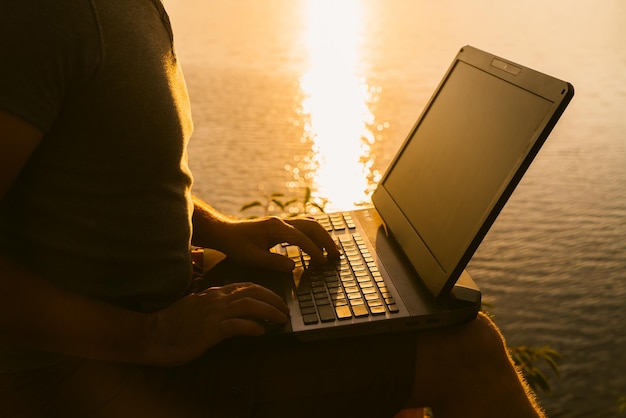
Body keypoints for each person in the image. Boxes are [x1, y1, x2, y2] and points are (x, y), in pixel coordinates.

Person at [0, 1, 546, 417]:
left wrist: (215, 227)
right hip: (89, 375)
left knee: (378, 321)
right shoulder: (42, 16)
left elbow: (108, 168)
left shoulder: (133, 9)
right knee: (466, 349)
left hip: (155, 318)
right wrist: (153, 337)